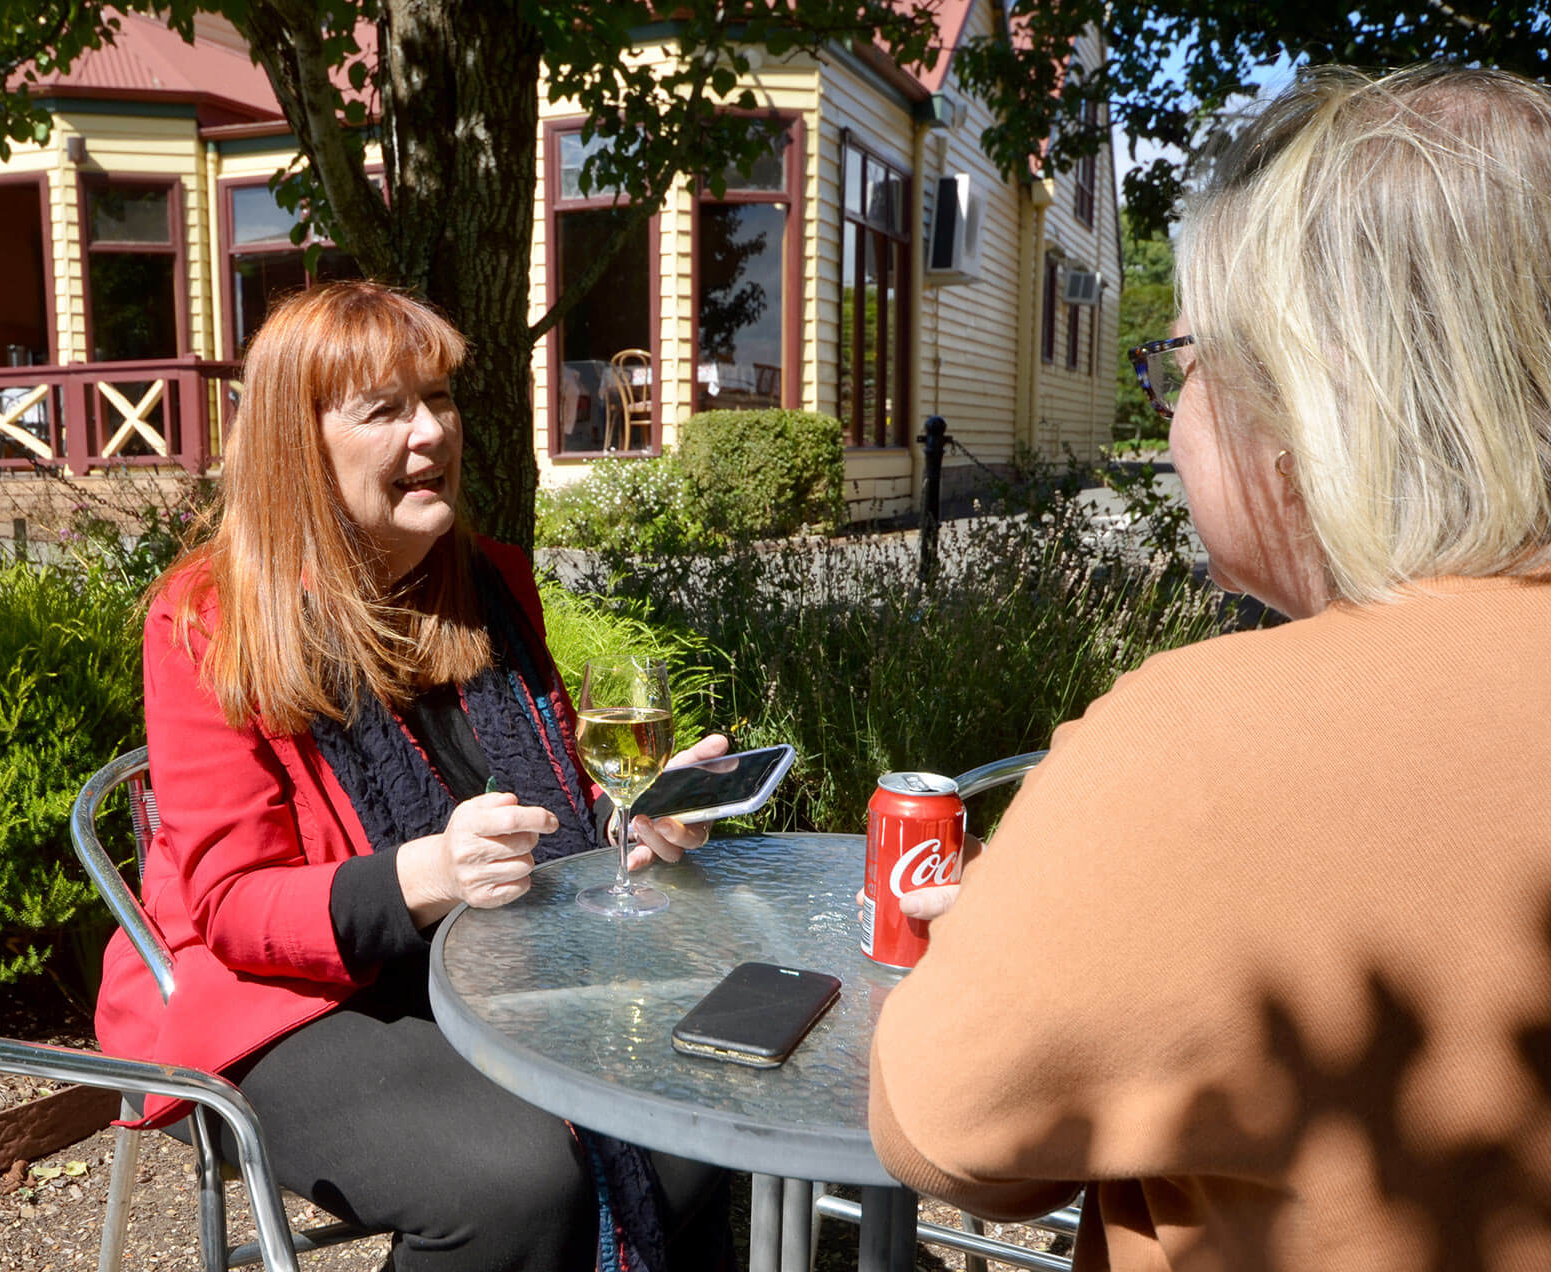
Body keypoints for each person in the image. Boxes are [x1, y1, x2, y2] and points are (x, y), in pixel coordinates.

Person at [868, 64, 1551, 1270]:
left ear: (1305, 401)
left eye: (1177, 365)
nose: (1173, 419)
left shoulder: (1197, 742)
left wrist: (1037, 940)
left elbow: (939, 1130)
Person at [95, 281, 731, 1271]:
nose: (431, 431)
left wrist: (632, 821)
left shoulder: (485, 582)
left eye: (438, 399)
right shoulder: (209, 618)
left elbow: (555, 797)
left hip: (490, 961)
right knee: (514, 1181)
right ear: (298, 444)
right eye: (385, 410)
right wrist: (431, 875)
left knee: (694, 1102)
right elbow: (232, 904)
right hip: (281, 999)